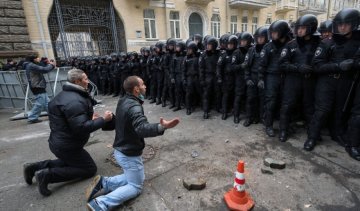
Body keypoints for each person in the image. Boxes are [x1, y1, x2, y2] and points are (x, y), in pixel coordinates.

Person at [85, 76, 179, 211]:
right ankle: (101, 204)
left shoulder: (124, 99)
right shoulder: (134, 106)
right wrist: (162, 127)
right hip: (128, 154)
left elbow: (121, 122)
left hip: (122, 149)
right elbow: (141, 128)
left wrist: (106, 119)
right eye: (143, 84)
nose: (145, 86)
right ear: (136, 89)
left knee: (136, 177)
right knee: (135, 186)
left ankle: (105, 183)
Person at [23, 69, 113, 196]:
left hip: (61, 143)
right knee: (89, 169)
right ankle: (47, 175)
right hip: (67, 146)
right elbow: (81, 127)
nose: (88, 81)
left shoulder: (66, 95)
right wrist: (104, 120)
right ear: (77, 81)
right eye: (86, 79)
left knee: (70, 162)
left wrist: (90, 118)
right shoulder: (75, 101)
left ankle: (33, 167)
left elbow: (69, 121)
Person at [306, 8, 360, 151]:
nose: (342, 27)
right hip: (327, 82)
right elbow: (316, 66)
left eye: (346, 24)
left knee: (340, 110)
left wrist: (354, 64)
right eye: (340, 24)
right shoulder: (328, 42)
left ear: (354, 24)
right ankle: (312, 136)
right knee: (322, 110)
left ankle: (336, 134)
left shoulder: (356, 43)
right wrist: (338, 66)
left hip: (345, 82)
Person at [278, 14, 321, 142]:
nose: (299, 31)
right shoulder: (291, 45)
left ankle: (312, 134)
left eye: (303, 28)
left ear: (311, 28)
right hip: (293, 81)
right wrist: (297, 67)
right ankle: (283, 130)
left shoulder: (319, 44)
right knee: (287, 106)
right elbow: (282, 64)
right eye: (298, 28)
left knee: (309, 108)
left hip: (310, 81)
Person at [24, 54, 56, 123]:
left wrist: (46, 63)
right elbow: (44, 69)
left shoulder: (31, 65)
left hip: (38, 85)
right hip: (37, 86)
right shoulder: (31, 65)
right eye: (37, 57)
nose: (39, 58)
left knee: (47, 102)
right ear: (34, 59)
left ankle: (53, 115)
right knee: (40, 103)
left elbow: (42, 67)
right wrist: (51, 65)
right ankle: (32, 117)